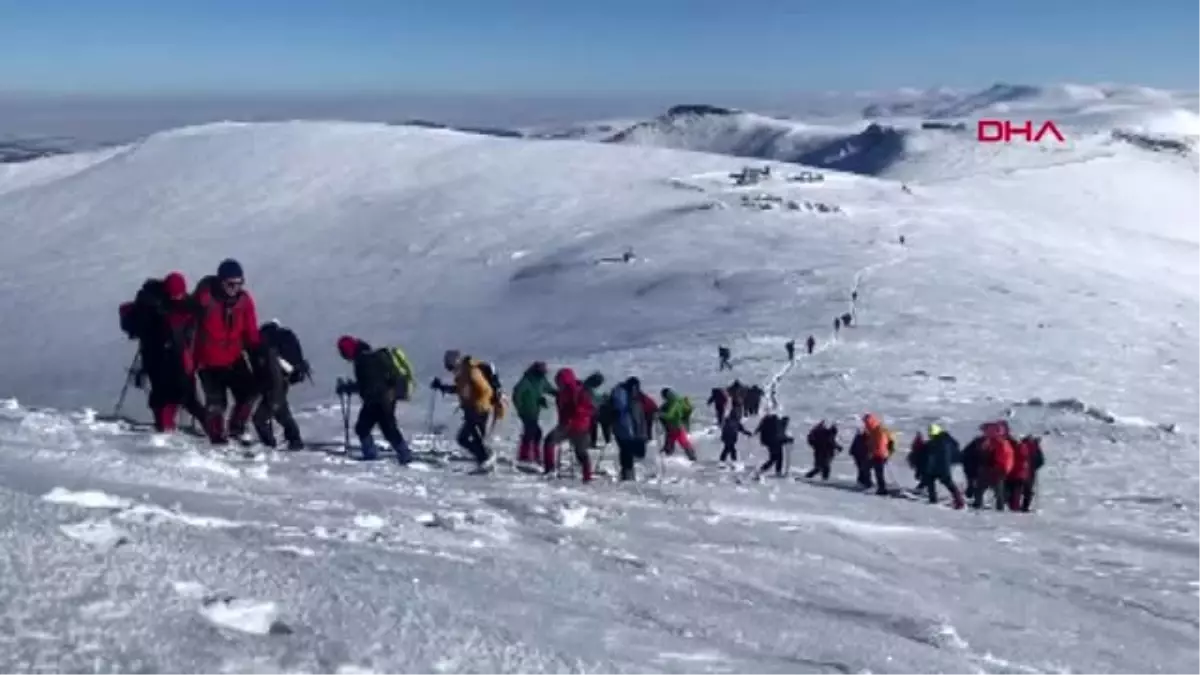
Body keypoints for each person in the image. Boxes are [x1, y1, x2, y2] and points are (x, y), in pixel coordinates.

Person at [118, 271, 206, 431]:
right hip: (157, 356)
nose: (178, 296)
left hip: (175, 355)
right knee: (165, 393)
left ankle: (167, 426)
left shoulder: (180, 304)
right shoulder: (151, 303)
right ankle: (166, 426)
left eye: (181, 293)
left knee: (178, 393)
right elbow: (143, 327)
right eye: (176, 294)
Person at [192, 259, 261, 444]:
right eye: (231, 284)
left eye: (240, 283)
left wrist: (256, 350)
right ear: (221, 281)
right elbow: (190, 327)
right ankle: (217, 436)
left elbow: (251, 329)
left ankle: (236, 428)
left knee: (250, 392)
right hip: (208, 361)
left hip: (233, 357)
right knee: (216, 403)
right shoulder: (205, 299)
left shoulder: (244, 301)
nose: (235, 288)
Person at [333, 336, 412, 463]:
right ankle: (400, 454)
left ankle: (401, 455)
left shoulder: (364, 360)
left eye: (343, 353)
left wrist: (348, 388)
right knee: (377, 428)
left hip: (378, 400)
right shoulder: (367, 356)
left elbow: (367, 385)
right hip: (382, 398)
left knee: (378, 428)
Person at [431, 349, 500, 471]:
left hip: (479, 410)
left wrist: (475, 403)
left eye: (449, 364)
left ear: (455, 361)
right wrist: (442, 387)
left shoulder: (470, 371)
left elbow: (485, 390)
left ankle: (485, 460)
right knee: (467, 438)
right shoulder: (462, 373)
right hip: (473, 410)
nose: (449, 369)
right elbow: (460, 389)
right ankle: (484, 458)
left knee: (470, 438)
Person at [248, 320, 307, 449]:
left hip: (275, 387)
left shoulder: (267, 350)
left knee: (259, 419)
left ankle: (270, 446)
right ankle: (295, 441)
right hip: (279, 385)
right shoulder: (271, 346)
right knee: (282, 413)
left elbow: (274, 374)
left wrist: (273, 395)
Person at [542, 367, 595, 481]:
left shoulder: (579, 392)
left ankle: (586, 475)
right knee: (550, 442)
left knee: (580, 451)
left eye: (560, 381)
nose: (559, 384)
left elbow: (589, 408)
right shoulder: (564, 393)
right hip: (570, 425)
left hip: (578, 425)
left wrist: (577, 413)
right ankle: (550, 470)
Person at [511, 361, 555, 464]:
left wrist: (558, 393)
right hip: (526, 411)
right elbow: (517, 394)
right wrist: (520, 408)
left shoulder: (541, 380)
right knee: (534, 433)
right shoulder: (527, 380)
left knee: (533, 433)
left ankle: (527, 455)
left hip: (535, 411)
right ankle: (527, 456)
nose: (544, 373)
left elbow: (548, 388)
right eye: (542, 371)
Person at [610, 377, 649, 481]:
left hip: (624, 430)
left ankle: (627, 475)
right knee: (628, 453)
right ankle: (628, 476)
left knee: (627, 453)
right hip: (626, 430)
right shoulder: (624, 397)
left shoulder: (621, 394)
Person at [973, 421, 1014, 510]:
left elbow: (990, 454)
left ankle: (978, 506)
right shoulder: (1002, 442)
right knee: (996, 491)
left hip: (995, 469)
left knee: (983, 488)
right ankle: (999, 508)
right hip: (998, 469)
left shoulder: (997, 442)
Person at [922, 424, 965, 508]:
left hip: (940, 467)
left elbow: (932, 453)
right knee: (938, 482)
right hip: (941, 466)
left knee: (946, 483)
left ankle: (959, 501)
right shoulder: (947, 441)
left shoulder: (939, 442)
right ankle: (957, 501)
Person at [1007, 435, 1045, 512]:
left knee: (1017, 489)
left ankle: (1015, 506)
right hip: (1030, 471)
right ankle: (1025, 507)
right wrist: (1034, 467)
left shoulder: (1019, 446)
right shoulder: (1035, 447)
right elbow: (1040, 460)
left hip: (1019, 471)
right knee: (1028, 491)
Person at [659, 388, 697, 461]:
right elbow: (689, 409)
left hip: (676, 429)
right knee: (685, 445)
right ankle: (693, 460)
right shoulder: (679, 401)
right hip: (676, 428)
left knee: (680, 445)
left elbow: (670, 415)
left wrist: (660, 414)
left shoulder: (674, 403)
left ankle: (692, 460)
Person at [862, 413, 894, 495]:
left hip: (879, 455)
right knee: (870, 470)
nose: (865, 425)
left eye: (866, 422)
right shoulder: (873, 430)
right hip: (878, 454)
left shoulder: (878, 431)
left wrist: (872, 452)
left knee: (878, 472)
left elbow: (880, 443)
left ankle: (881, 489)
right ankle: (873, 486)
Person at [582, 372, 611, 447]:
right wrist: (605, 398)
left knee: (594, 425)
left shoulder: (586, 386)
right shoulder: (589, 388)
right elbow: (596, 399)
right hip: (590, 410)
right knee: (602, 422)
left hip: (589, 410)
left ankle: (593, 442)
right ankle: (606, 441)